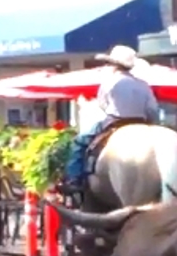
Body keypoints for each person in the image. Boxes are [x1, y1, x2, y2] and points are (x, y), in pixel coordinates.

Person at [66, 45, 157, 199]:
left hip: (115, 122)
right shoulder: (143, 85)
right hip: (141, 122)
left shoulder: (110, 81)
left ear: (114, 65)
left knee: (79, 142)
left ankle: (75, 179)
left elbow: (103, 104)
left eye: (108, 64)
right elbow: (153, 110)